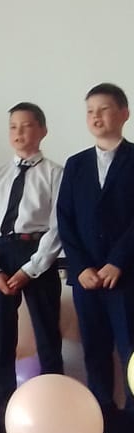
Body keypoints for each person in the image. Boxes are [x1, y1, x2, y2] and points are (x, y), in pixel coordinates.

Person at [0, 102, 64, 411]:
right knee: (3, 338)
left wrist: (32, 268)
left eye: (26, 126)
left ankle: (54, 404)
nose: (19, 133)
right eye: (13, 127)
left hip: (37, 254)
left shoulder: (55, 173)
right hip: (2, 254)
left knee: (47, 334)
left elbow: (58, 226)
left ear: (43, 130)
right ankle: (5, 407)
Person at [57, 83, 134, 411]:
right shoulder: (76, 164)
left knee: (131, 352)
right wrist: (81, 266)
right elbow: (65, 219)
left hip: (126, 276)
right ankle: (103, 420)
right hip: (86, 278)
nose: (96, 117)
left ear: (124, 114)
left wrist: (118, 261)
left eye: (104, 109)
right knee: (95, 351)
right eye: (90, 111)